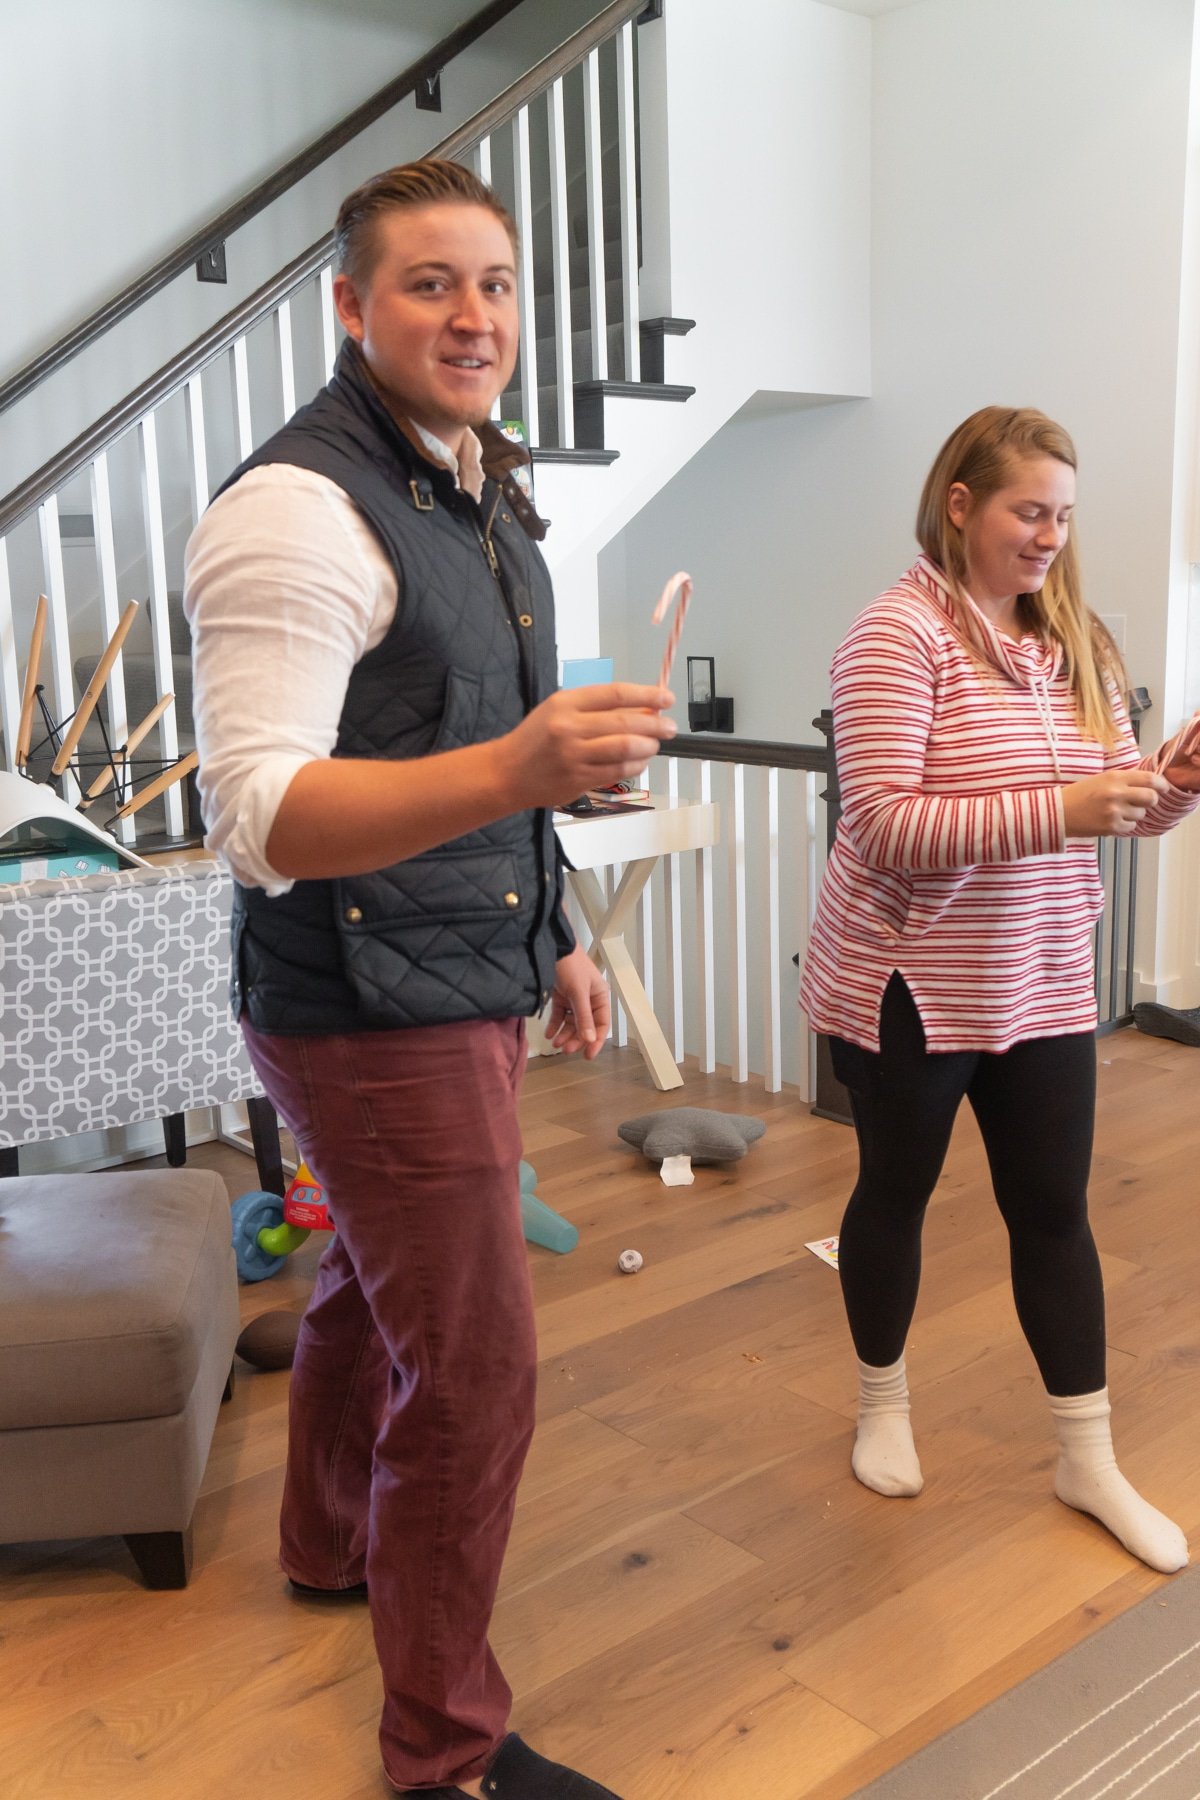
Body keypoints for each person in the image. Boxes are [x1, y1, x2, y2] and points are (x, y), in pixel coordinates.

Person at [184, 158, 677, 1799]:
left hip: (454, 976)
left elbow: (469, 753)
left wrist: (550, 943)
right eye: (429, 284)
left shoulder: (476, 484)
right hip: (359, 1002)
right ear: (350, 304)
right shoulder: (295, 510)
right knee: (472, 1376)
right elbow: (263, 818)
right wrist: (524, 771)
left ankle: (326, 1546)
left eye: (496, 284)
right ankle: (444, 1758)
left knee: (360, 1285)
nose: (474, 317)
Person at [801, 405, 1200, 1574]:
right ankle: (883, 1402)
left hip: (1041, 980)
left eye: (1065, 517)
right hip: (909, 981)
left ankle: (1087, 1455)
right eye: (1032, 512)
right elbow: (882, 825)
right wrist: (1069, 808)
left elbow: (1114, 804)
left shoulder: (1074, 640)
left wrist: (1170, 783)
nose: (1051, 538)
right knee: (897, 1194)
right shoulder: (895, 635)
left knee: (1055, 1216)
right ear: (963, 504)